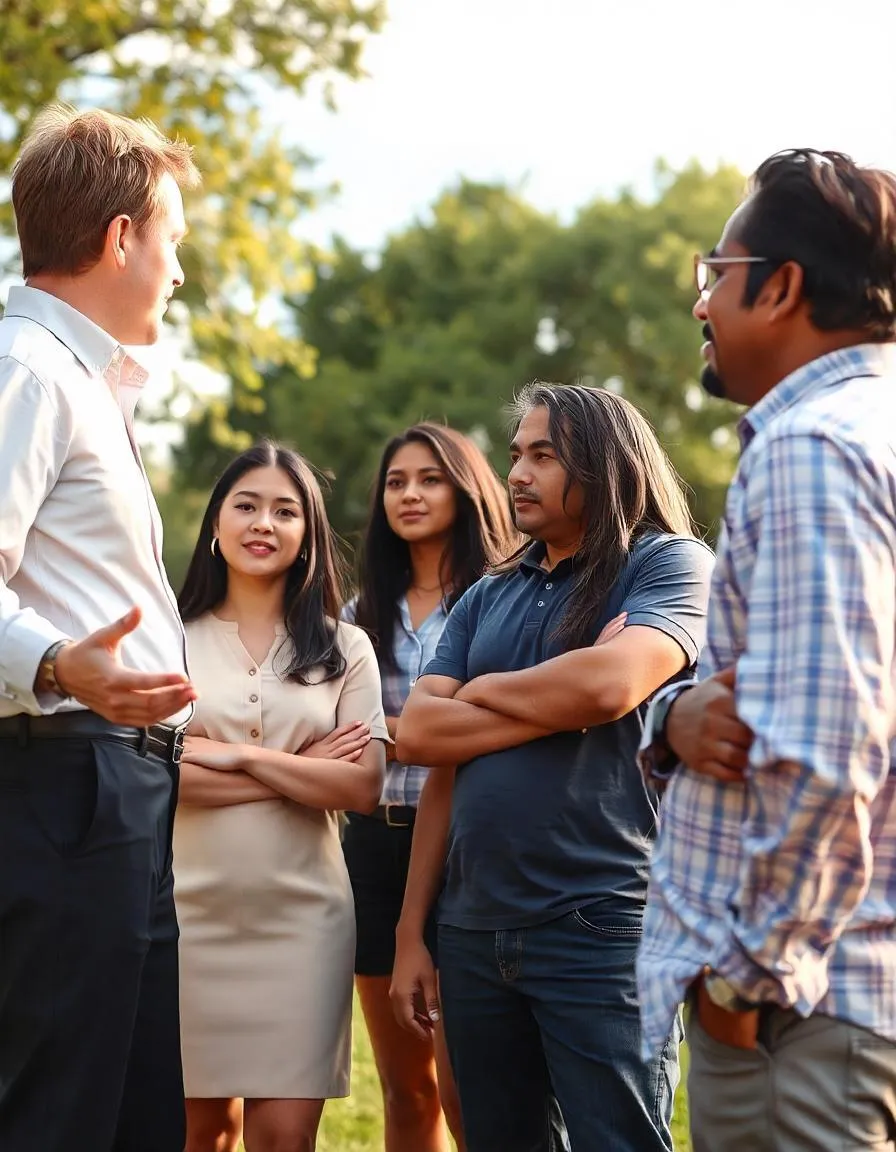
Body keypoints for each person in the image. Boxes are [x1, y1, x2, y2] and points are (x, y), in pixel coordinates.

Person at [637, 149, 896, 1152]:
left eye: (716, 274)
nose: (701, 305)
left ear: (779, 286)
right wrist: (675, 713)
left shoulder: (811, 447)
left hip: (802, 1012)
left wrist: (748, 979)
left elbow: (831, 741)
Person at [391, 382, 714, 1152]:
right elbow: (420, 738)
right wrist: (414, 932)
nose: (516, 475)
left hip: (601, 922)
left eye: (543, 455)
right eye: (515, 455)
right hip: (472, 929)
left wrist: (476, 697)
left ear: (603, 466)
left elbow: (611, 685)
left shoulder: (668, 564)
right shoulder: (488, 594)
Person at [0, 105, 199, 1151]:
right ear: (120, 237)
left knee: (130, 1107)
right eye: (171, 240)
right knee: (61, 1108)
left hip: (113, 785)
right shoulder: (27, 367)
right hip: (61, 776)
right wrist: (55, 664)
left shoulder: (82, 379)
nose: (178, 270)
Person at [172, 440, 388, 1152]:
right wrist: (295, 770)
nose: (264, 521)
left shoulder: (346, 647)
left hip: (304, 921)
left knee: (287, 1138)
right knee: (194, 1134)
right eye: (247, 504)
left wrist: (233, 753)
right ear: (216, 523)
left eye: (285, 510)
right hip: (181, 918)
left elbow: (359, 785)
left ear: (308, 538)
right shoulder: (165, 642)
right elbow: (156, 777)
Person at [344, 422, 518, 1152]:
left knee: (465, 1085)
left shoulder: (503, 597)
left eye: (429, 479)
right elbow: (338, 732)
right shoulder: (359, 614)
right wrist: (420, 722)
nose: (410, 494)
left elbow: (476, 720)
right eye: (396, 482)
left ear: (467, 488)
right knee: (405, 1089)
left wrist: (395, 724)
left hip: (465, 847)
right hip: (372, 849)